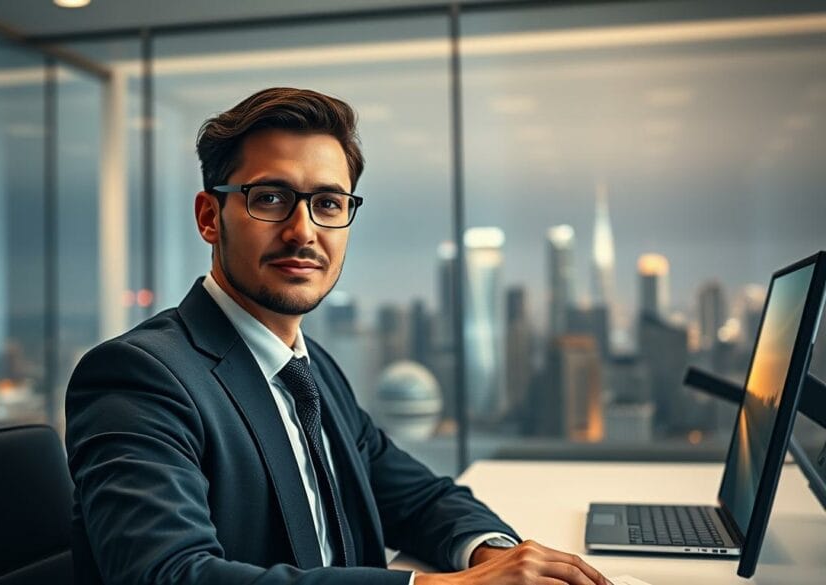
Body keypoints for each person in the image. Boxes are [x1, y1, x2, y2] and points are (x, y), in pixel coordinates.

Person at [65, 87, 611, 585]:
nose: (303, 231)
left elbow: (418, 498)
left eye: (327, 203)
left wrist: (492, 555)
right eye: (271, 198)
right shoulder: (140, 377)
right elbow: (169, 575)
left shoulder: (309, 368)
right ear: (211, 217)